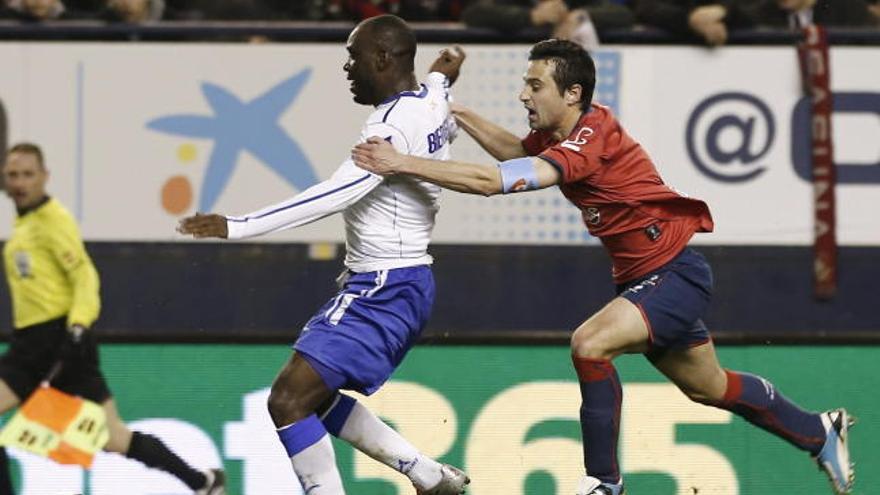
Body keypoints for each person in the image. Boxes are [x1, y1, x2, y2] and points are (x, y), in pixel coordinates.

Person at [352, 39, 855, 495]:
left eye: (535, 85)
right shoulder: (564, 137)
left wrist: (403, 162)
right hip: (649, 280)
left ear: (572, 93)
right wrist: (452, 109)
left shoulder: (591, 138)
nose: (524, 95)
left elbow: (492, 181)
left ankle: (604, 483)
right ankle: (817, 430)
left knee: (589, 344)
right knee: (710, 387)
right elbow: (510, 154)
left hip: (675, 275)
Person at [177, 15, 469, 495]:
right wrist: (442, 73)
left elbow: (335, 194)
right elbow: (438, 93)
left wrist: (237, 225)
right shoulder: (428, 101)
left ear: (382, 59)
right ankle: (427, 474)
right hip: (402, 282)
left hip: (384, 286)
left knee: (287, 400)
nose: (347, 67)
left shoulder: (391, 129)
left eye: (354, 55)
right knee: (314, 395)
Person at [0, 143, 225, 494]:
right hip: (30, 345)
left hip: (61, 343)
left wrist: (78, 326)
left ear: (45, 177)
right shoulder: (26, 221)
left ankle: (203, 483)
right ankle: (203, 482)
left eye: (28, 174)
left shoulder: (52, 220)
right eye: (13, 175)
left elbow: (85, 277)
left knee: (115, 439)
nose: (20, 182)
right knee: (115, 438)